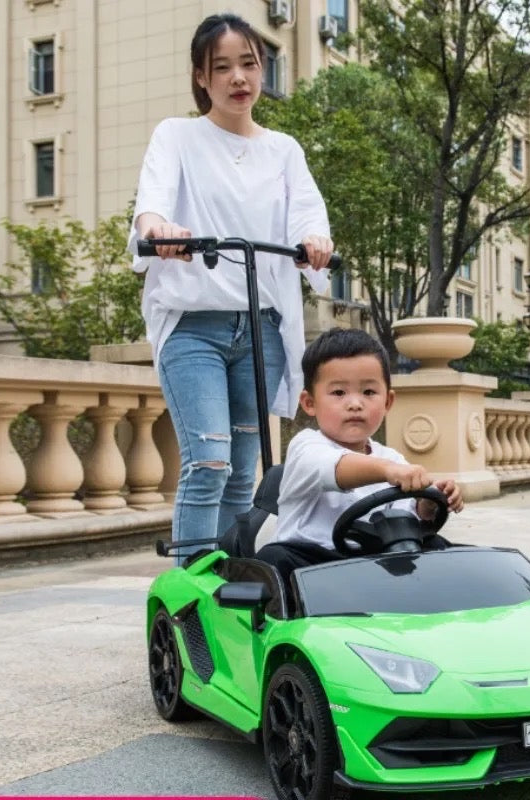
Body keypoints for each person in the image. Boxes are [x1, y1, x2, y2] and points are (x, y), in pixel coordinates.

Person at [127, 13, 333, 561]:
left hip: (260, 326)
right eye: (223, 67)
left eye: (248, 64)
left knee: (245, 468)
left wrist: (314, 241)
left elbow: (307, 214)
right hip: (195, 325)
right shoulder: (177, 136)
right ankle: (188, 588)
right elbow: (153, 199)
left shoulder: (284, 149)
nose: (238, 77)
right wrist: (158, 229)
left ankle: (228, 584)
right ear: (201, 77)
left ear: (261, 69)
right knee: (210, 459)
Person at [256, 328, 464, 585]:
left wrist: (428, 503)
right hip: (312, 565)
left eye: (368, 392)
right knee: (274, 558)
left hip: (372, 564)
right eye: (339, 393)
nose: (355, 404)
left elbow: (404, 512)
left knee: (438, 548)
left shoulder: (392, 457)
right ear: (309, 403)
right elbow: (333, 467)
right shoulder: (306, 447)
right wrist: (388, 471)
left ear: (387, 402)